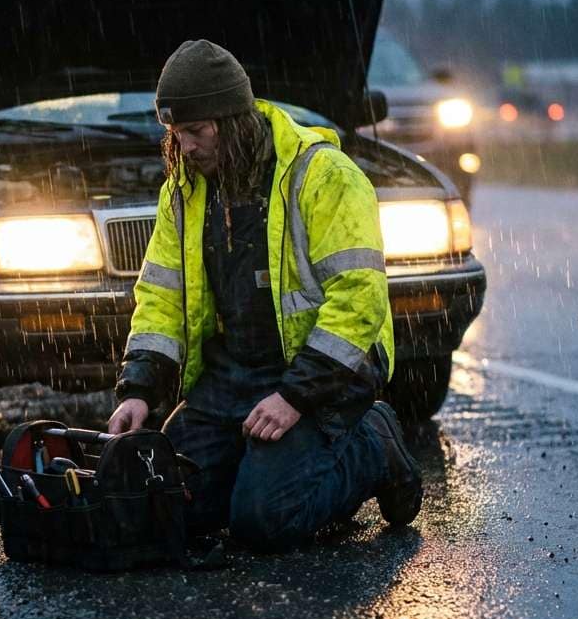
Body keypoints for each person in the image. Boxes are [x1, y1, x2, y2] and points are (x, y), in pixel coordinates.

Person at [107, 38, 422, 551]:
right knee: (168, 509)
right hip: (231, 376)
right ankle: (255, 470)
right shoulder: (184, 192)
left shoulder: (324, 177)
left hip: (321, 375)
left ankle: (373, 444)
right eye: (175, 133)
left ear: (232, 121)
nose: (184, 147)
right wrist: (139, 389)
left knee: (263, 522)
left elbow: (359, 299)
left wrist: (296, 395)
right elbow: (162, 299)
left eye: (196, 131)